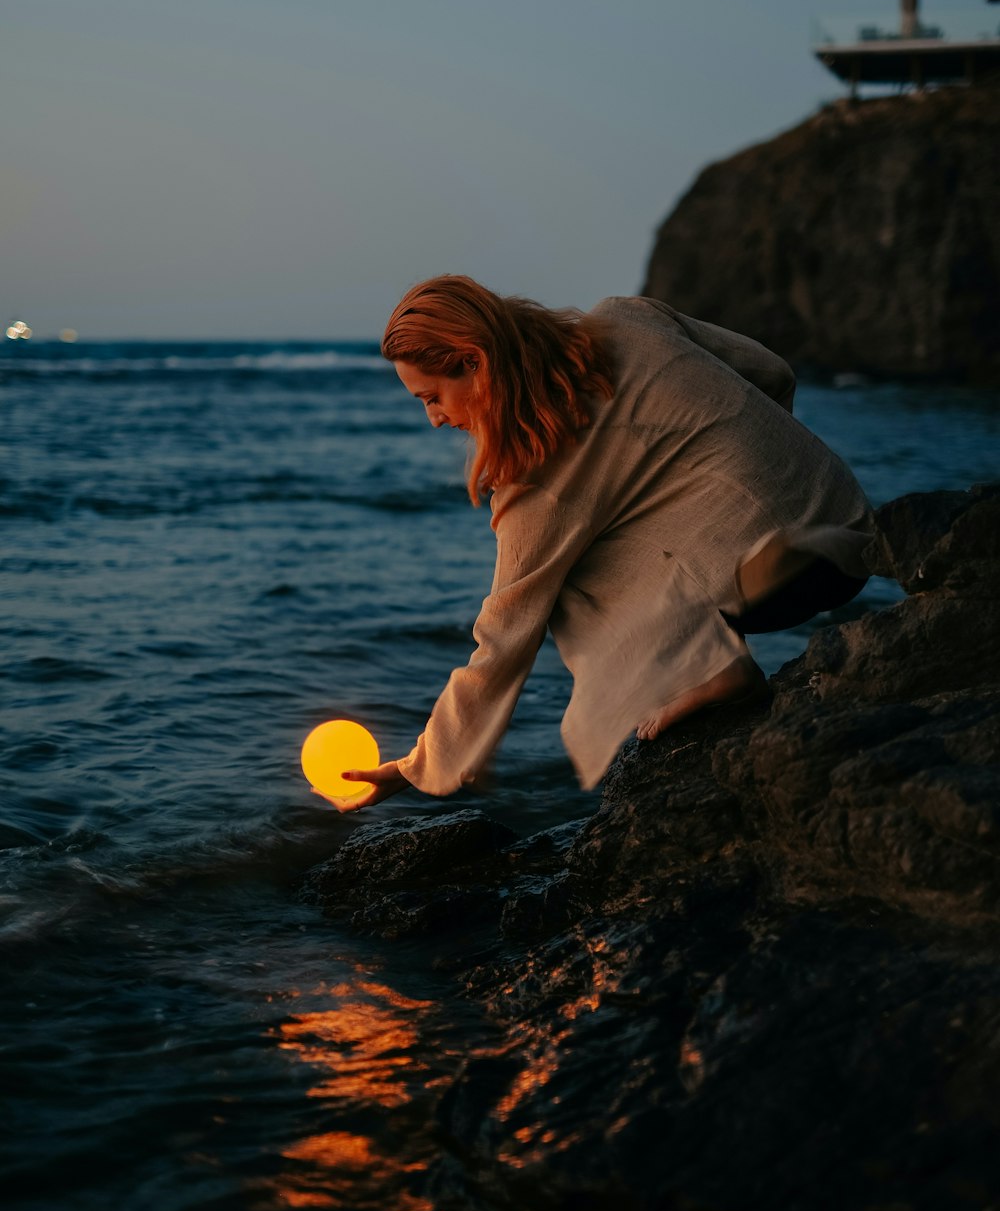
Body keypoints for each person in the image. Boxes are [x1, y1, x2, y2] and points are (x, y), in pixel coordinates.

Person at [338, 275, 874, 810]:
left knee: (563, 578)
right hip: (847, 527)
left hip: (779, 580)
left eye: (431, 398)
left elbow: (505, 637)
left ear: (475, 363)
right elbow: (771, 371)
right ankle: (718, 654)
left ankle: (712, 669)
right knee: (633, 511)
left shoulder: (537, 475)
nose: (433, 419)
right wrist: (761, 474)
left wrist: (421, 765)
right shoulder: (627, 316)